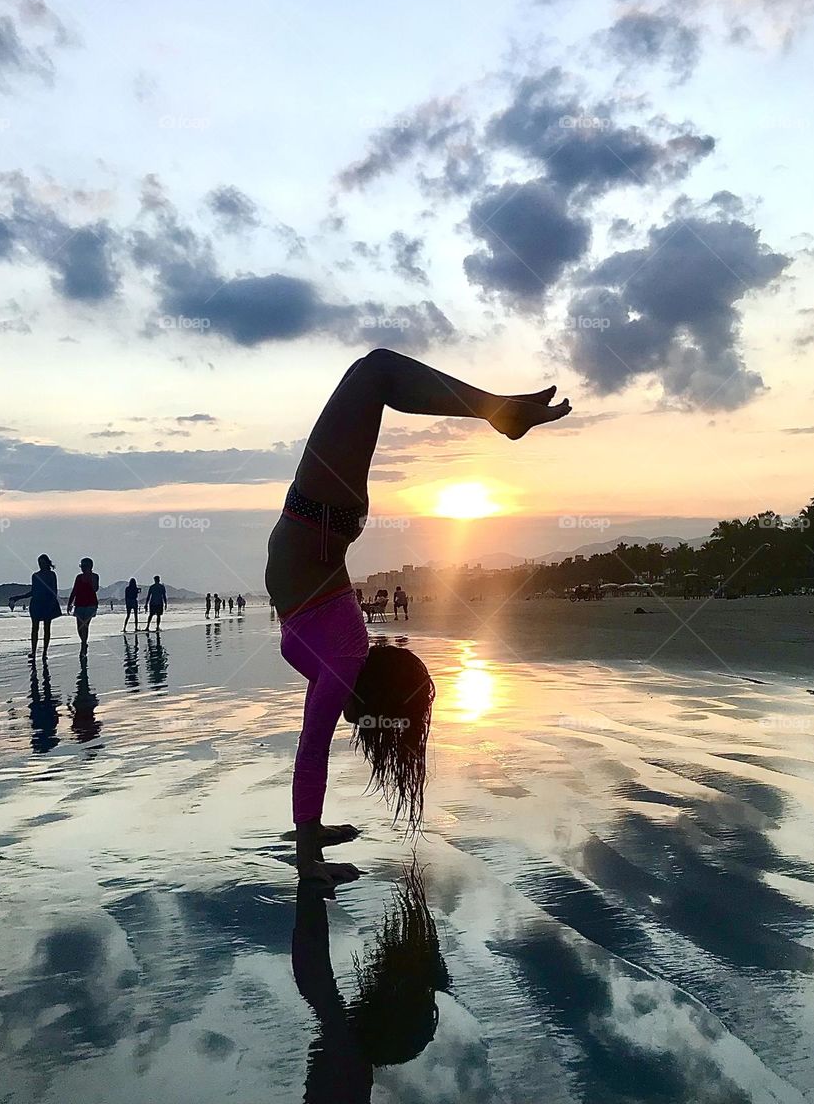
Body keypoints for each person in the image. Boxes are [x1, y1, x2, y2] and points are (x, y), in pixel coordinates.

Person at [265, 348, 571, 886]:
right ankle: (497, 411)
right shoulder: (343, 662)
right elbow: (323, 734)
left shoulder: (340, 665)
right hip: (322, 519)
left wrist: (309, 855)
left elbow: (312, 747)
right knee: (375, 371)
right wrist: (308, 831)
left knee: (378, 371)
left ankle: (498, 411)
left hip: (319, 517)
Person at [292, 862, 449, 1103]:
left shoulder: (348, 1053)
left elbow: (314, 977)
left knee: (328, 1011)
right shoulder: (350, 1053)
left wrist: (310, 862)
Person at [9, 554, 62, 659]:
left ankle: (44, 652)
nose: (41, 565)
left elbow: (54, 591)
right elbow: (33, 592)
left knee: (47, 628)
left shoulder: (52, 575)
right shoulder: (35, 575)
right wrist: (17, 597)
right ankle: (33, 652)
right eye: (39, 563)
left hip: (48, 603)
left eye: (43, 563)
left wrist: (52, 604)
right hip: (36, 604)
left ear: (47, 563)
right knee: (35, 628)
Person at [67, 557, 100, 654]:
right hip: (79, 604)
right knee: (79, 627)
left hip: (91, 604)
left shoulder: (95, 576)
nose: (82, 568)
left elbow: (95, 588)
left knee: (85, 625)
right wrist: (70, 603)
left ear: (90, 566)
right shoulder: (79, 577)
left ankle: (83, 645)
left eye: (84, 566)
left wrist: (89, 578)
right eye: (82, 566)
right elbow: (74, 590)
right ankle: (84, 642)